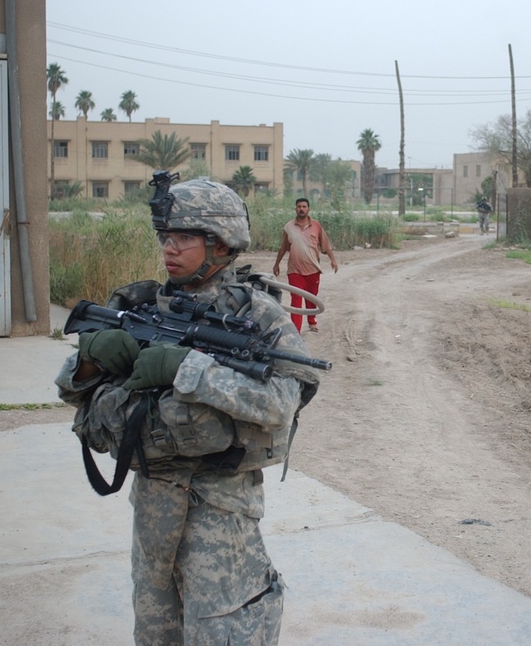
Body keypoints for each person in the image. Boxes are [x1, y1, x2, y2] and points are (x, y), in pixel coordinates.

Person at [55, 176, 320, 645]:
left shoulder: (259, 316)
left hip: (218, 505)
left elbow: (282, 402)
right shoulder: (141, 302)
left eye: (183, 237)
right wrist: (91, 360)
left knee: (225, 630)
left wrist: (190, 369)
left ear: (220, 243)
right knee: (156, 631)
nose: (169, 249)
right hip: (153, 501)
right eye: (165, 237)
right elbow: (73, 390)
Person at [272, 197, 338, 333]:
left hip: (313, 270)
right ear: (295, 208)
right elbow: (283, 248)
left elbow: (325, 245)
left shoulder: (316, 226)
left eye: (304, 207)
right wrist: (276, 264)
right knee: (296, 301)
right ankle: (296, 330)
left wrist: (333, 260)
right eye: (299, 207)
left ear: (308, 209)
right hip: (294, 271)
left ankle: (312, 321)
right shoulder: (289, 227)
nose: (301, 209)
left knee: (311, 297)